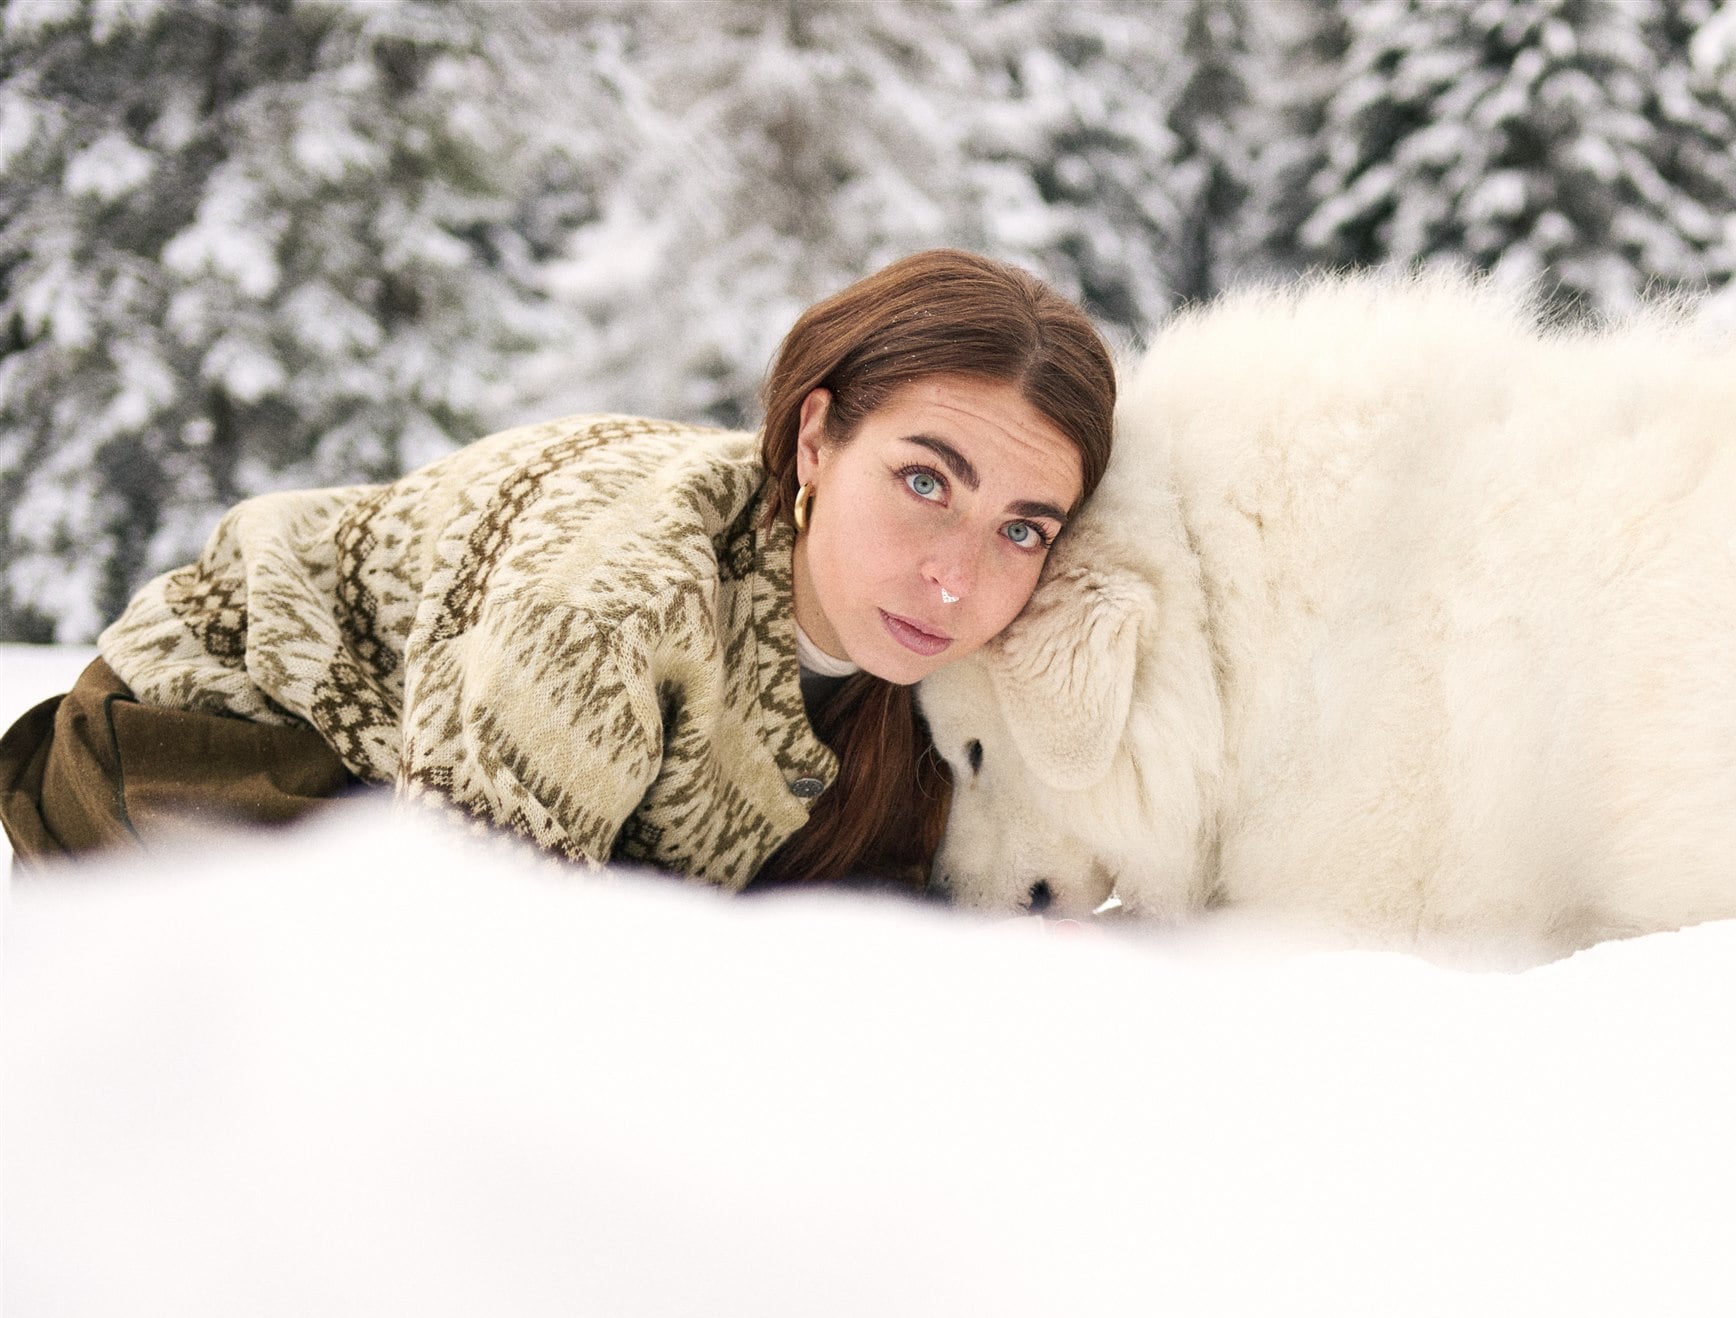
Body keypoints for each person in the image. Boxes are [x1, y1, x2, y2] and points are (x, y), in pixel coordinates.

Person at [0, 249, 1117, 890]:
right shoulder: (611, 596)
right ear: (816, 438)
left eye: (1021, 528)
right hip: (225, 764)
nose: (956, 580)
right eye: (925, 482)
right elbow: (475, 950)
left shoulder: (964, 664)